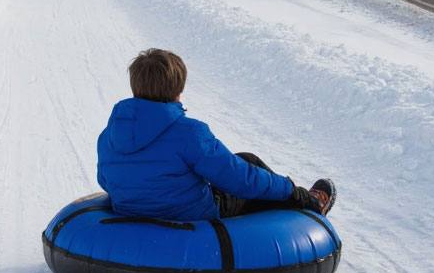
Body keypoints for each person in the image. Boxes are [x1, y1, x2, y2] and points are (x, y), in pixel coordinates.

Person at [97, 49, 335, 222]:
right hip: (190, 214)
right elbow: (239, 179)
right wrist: (288, 188)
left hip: (131, 210)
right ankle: (309, 204)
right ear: (178, 91)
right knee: (249, 163)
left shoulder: (110, 133)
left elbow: (105, 180)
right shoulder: (189, 132)